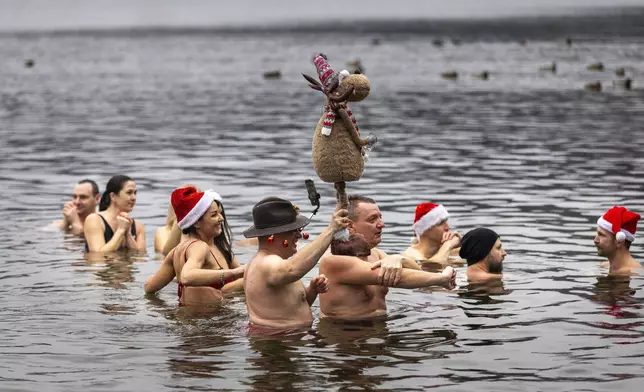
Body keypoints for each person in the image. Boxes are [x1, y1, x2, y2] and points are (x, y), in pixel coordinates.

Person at [243, 197, 349, 330]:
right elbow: (292, 269)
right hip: (277, 342)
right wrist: (331, 230)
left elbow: (294, 307)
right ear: (273, 235)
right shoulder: (266, 263)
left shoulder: (273, 263)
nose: (299, 236)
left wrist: (312, 290)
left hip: (290, 338)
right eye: (294, 230)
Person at [144, 186, 245, 305]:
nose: (221, 219)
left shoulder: (178, 251)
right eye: (214, 215)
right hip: (209, 321)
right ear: (196, 222)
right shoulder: (199, 247)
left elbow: (149, 288)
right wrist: (233, 273)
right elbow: (187, 276)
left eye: (220, 213)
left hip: (188, 319)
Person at [319, 233, 457, 320]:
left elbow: (417, 272)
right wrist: (441, 278)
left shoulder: (375, 253)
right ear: (352, 224)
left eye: (380, 217)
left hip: (381, 327)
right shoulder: (332, 261)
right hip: (343, 333)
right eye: (372, 219)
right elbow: (397, 278)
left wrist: (400, 259)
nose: (381, 224)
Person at [84, 175, 146, 252]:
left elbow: (140, 258)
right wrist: (121, 230)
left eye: (135, 193)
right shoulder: (94, 220)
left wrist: (127, 233)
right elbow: (98, 257)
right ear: (113, 196)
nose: (134, 198)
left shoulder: (138, 226)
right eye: (129, 192)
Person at [402, 202, 462, 268]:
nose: (447, 228)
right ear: (425, 229)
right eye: (440, 223)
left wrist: (462, 242)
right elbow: (433, 267)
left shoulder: (451, 251)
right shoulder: (411, 256)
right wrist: (447, 246)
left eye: (446, 222)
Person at [595, 206, 641, 275]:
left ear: (619, 242)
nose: (595, 240)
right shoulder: (604, 266)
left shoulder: (633, 274)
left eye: (601, 235)